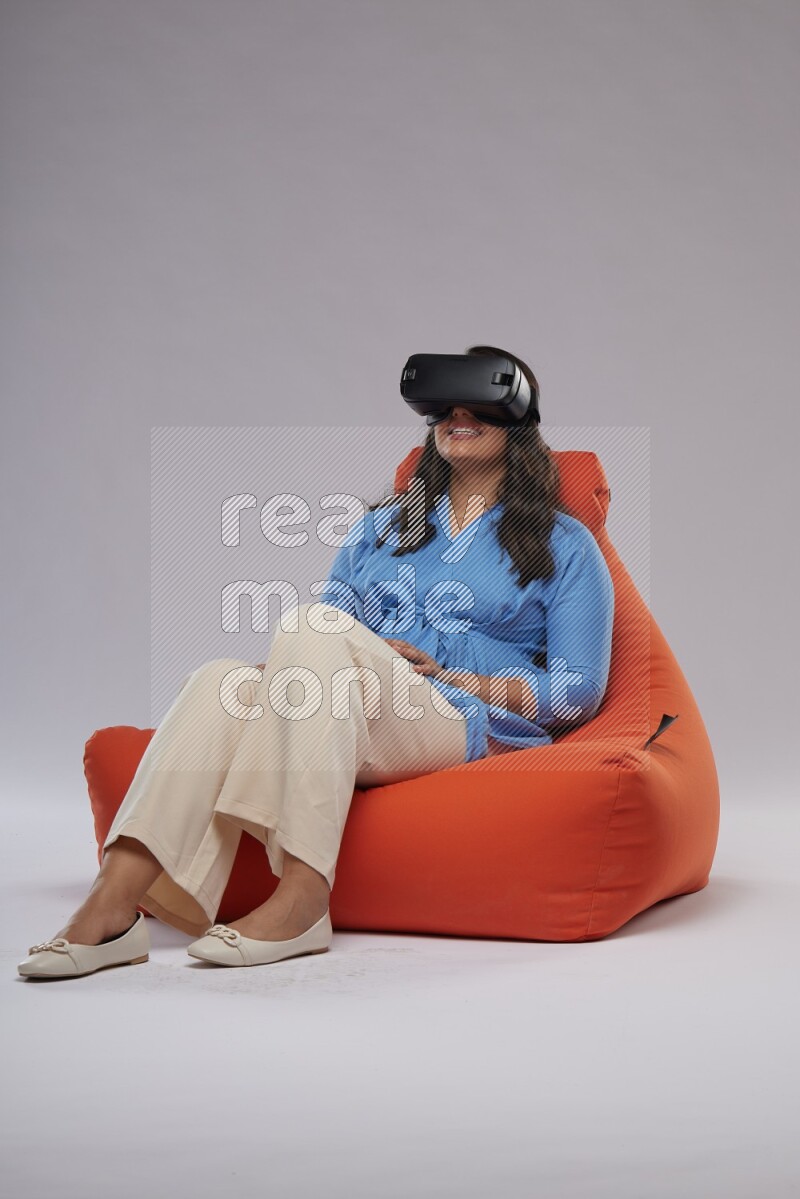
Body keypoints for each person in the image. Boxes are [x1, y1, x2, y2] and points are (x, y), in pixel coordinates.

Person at [18, 345, 614, 979]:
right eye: (444, 407)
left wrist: (452, 677)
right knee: (220, 680)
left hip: (458, 722)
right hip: (349, 706)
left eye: (477, 408)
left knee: (309, 625)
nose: (456, 418)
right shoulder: (382, 529)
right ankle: (114, 908)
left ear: (518, 425)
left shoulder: (565, 544)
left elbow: (577, 693)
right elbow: (324, 642)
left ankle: (303, 900)